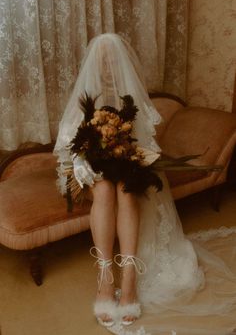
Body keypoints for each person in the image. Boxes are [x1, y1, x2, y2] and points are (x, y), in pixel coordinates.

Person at [54, 33, 236, 335]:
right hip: (85, 169)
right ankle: (105, 279)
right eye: (103, 61)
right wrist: (81, 162)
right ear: (94, 64)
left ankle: (128, 279)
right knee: (103, 187)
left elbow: (144, 144)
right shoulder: (85, 93)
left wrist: (127, 155)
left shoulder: (129, 96)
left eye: (114, 60)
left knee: (126, 189)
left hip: (122, 163)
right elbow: (67, 145)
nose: (109, 67)